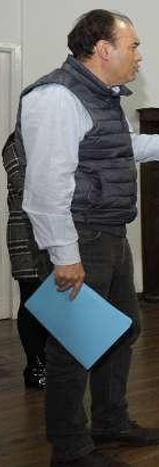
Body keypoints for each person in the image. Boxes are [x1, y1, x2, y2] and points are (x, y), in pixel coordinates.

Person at [19, 10, 159, 467]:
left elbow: (123, 148)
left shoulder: (103, 98)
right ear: (102, 49)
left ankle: (110, 422)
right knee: (73, 345)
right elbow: (44, 185)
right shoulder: (55, 98)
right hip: (78, 239)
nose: (139, 56)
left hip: (109, 234)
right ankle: (70, 451)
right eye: (133, 46)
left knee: (120, 329)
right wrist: (64, 254)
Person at [3, 132, 51, 389]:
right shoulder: (14, 143)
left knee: (54, 300)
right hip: (25, 230)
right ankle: (35, 366)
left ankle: (52, 361)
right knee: (32, 300)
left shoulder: (48, 139)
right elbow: (25, 187)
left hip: (53, 231)